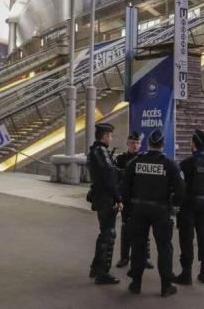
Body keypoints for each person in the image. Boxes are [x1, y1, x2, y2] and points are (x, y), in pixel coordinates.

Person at [123, 128, 184, 297]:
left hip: (139, 209)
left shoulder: (136, 162)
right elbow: (180, 189)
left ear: (148, 144)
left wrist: (128, 208)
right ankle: (166, 286)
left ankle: (135, 284)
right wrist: (174, 205)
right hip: (160, 210)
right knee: (164, 248)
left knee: (138, 246)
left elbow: (125, 187)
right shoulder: (169, 164)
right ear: (163, 145)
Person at [173, 130, 204, 285]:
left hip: (188, 205)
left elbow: (180, 185)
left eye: (191, 141)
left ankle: (186, 274)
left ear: (194, 144)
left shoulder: (186, 163)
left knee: (186, 238)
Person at [87, 122, 122, 285]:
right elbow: (110, 178)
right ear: (105, 136)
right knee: (109, 234)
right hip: (106, 198)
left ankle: (96, 267)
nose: (111, 138)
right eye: (110, 135)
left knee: (104, 233)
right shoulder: (101, 152)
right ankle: (103, 273)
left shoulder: (95, 151)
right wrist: (118, 198)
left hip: (101, 197)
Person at [115, 131, 154, 270]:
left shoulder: (145, 159)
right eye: (132, 143)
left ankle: (146, 257)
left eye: (137, 143)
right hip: (127, 198)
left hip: (141, 199)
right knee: (126, 229)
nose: (135, 145)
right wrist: (118, 199)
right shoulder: (120, 159)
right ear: (127, 144)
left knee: (144, 229)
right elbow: (117, 181)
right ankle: (124, 257)